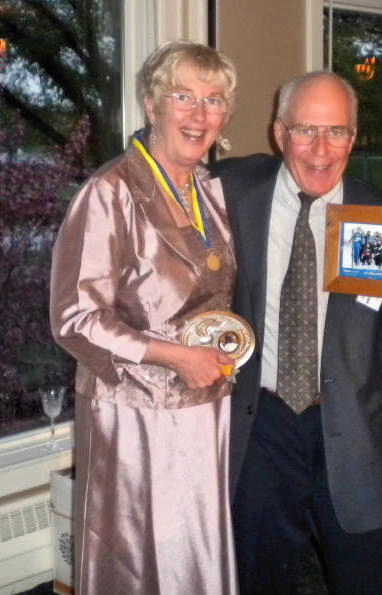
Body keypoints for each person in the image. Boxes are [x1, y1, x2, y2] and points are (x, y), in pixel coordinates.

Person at [212, 71, 382, 594]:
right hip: (259, 426)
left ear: (353, 137)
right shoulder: (228, 191)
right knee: (255, 579)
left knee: (374, 578)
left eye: (336, 132)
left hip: (354, 431)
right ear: (279, 132)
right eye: (306, 130)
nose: (321, 150)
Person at [50, 41, 239, 595]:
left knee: (194, 550)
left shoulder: (210, 189)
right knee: (138, 561)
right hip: (134, 412)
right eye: (183, 96)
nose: (199, 114)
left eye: (214, 100)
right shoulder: (109, 192)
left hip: (206, 405)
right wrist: (176, 356)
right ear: (152, 104)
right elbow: (75, 318)